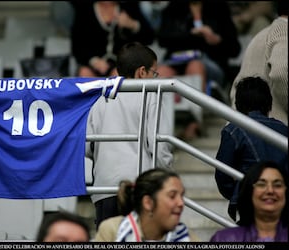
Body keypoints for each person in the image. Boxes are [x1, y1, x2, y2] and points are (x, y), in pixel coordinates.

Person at [86, 42, 173, 229]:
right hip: (139, 188)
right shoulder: (151, 95)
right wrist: (166, 177)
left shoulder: (100, 98)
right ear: (142, 72)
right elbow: (159, 146)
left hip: (104, 188)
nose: (156, 77)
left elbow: (87, 146)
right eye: (154, 72)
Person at [156, 0, 241, 140]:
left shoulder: (219, 7)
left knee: (194, 66)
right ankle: (160, 127)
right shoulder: (173, 7)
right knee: (162, 72)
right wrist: (190, 35)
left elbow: (234, 49)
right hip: (177, 60)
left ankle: (194, 124)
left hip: (211, 63)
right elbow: (162, 39)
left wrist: (216, 39)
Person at [215, 77, 288, 221]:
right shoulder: (284, 129)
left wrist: (239, 192)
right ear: (269, 103)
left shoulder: (233, 130)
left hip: (251, 202)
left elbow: (223, 176)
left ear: (238, 104)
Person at [230, 0, 288, 126]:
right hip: (270, 132)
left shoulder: (263, 34)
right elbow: (281, 73)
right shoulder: (284, 30)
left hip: (245, 128)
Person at [94, 168, 193, 242]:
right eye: (172, 196)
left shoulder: (188, 237)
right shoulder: (112, 231)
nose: (181, 203)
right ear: (148, 203)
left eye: (182, 196)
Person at [70, 1, 155, 77]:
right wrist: (94, 61)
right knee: (85, 74)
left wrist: (132, 24)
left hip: (121, 64)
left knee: (119, 75)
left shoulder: (128, 8)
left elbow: (149, 38)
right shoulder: (85, 10)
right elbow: (77, 46)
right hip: (91, 64)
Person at [210, 161, 288, 242]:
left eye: (277, 185)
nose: (270, 190)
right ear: (249, 192)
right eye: (261, 184)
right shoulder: (223, 239)